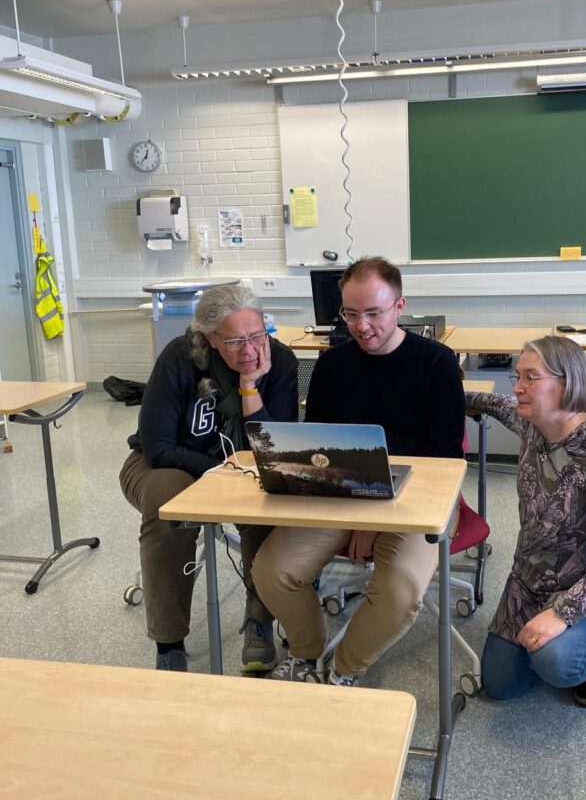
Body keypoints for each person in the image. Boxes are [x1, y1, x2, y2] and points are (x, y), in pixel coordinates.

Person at [251, 256, 465, 686]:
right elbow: (318, 443)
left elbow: (443, 456)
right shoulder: (333, 364)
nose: (361, 326)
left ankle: (343, 669)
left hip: (420, 500)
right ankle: (308, 655)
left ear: (400, 306)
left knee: (400, 593)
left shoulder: (438, 362)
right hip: (343, 494)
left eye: (373, 313)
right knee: (271, 571)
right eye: (350, 314)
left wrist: (373, 518)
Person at [120, 283, 298, 673]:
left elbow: (273, 450)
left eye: (256, 336)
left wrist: (250, 385)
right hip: (165, 465)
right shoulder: (180, 358)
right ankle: (169, 642)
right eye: (235, 341)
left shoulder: (280, 361)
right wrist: (227, 473)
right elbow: (159, 448)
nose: (249, 350)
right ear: (210, 338)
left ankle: (259, 621)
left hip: (245, 466)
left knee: (270, 500)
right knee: (168, 502)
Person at [465, 336, 586, 706]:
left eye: (531, 377)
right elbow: (494, 403)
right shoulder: (533, 422)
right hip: (532, 580)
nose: (518, 387)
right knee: (500, 685)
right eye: (518, 376)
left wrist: (564, 613)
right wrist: (440, 387)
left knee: (556, 662)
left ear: (567, 383)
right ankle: (554, 639)